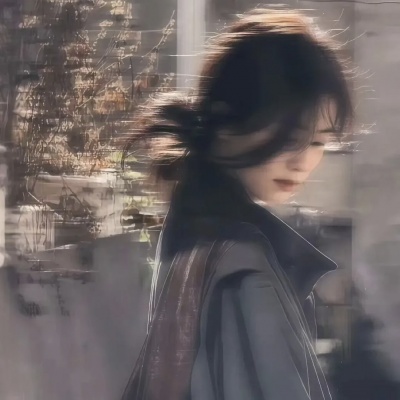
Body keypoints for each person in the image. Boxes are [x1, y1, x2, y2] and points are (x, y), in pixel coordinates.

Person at [121, 8, 353, 400]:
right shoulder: (243, 269)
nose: (302, 162)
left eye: (319, 142)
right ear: (225, 121)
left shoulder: (197, 229)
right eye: (289, 136)